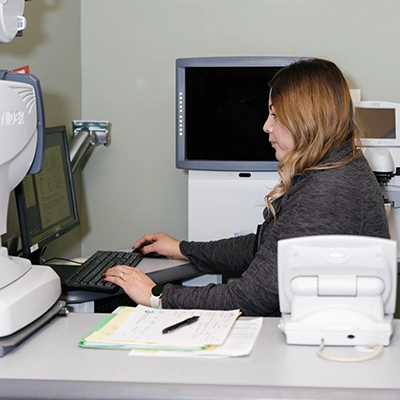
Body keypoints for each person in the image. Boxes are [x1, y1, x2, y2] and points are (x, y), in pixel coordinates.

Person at [103, 58, 390, 317]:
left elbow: (252, 298)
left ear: (305, 119)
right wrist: (182, 248)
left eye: (275, 116)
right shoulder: (334, 165)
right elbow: (263, 246)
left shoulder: (327, 189)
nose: (266, 126)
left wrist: (156, 297)